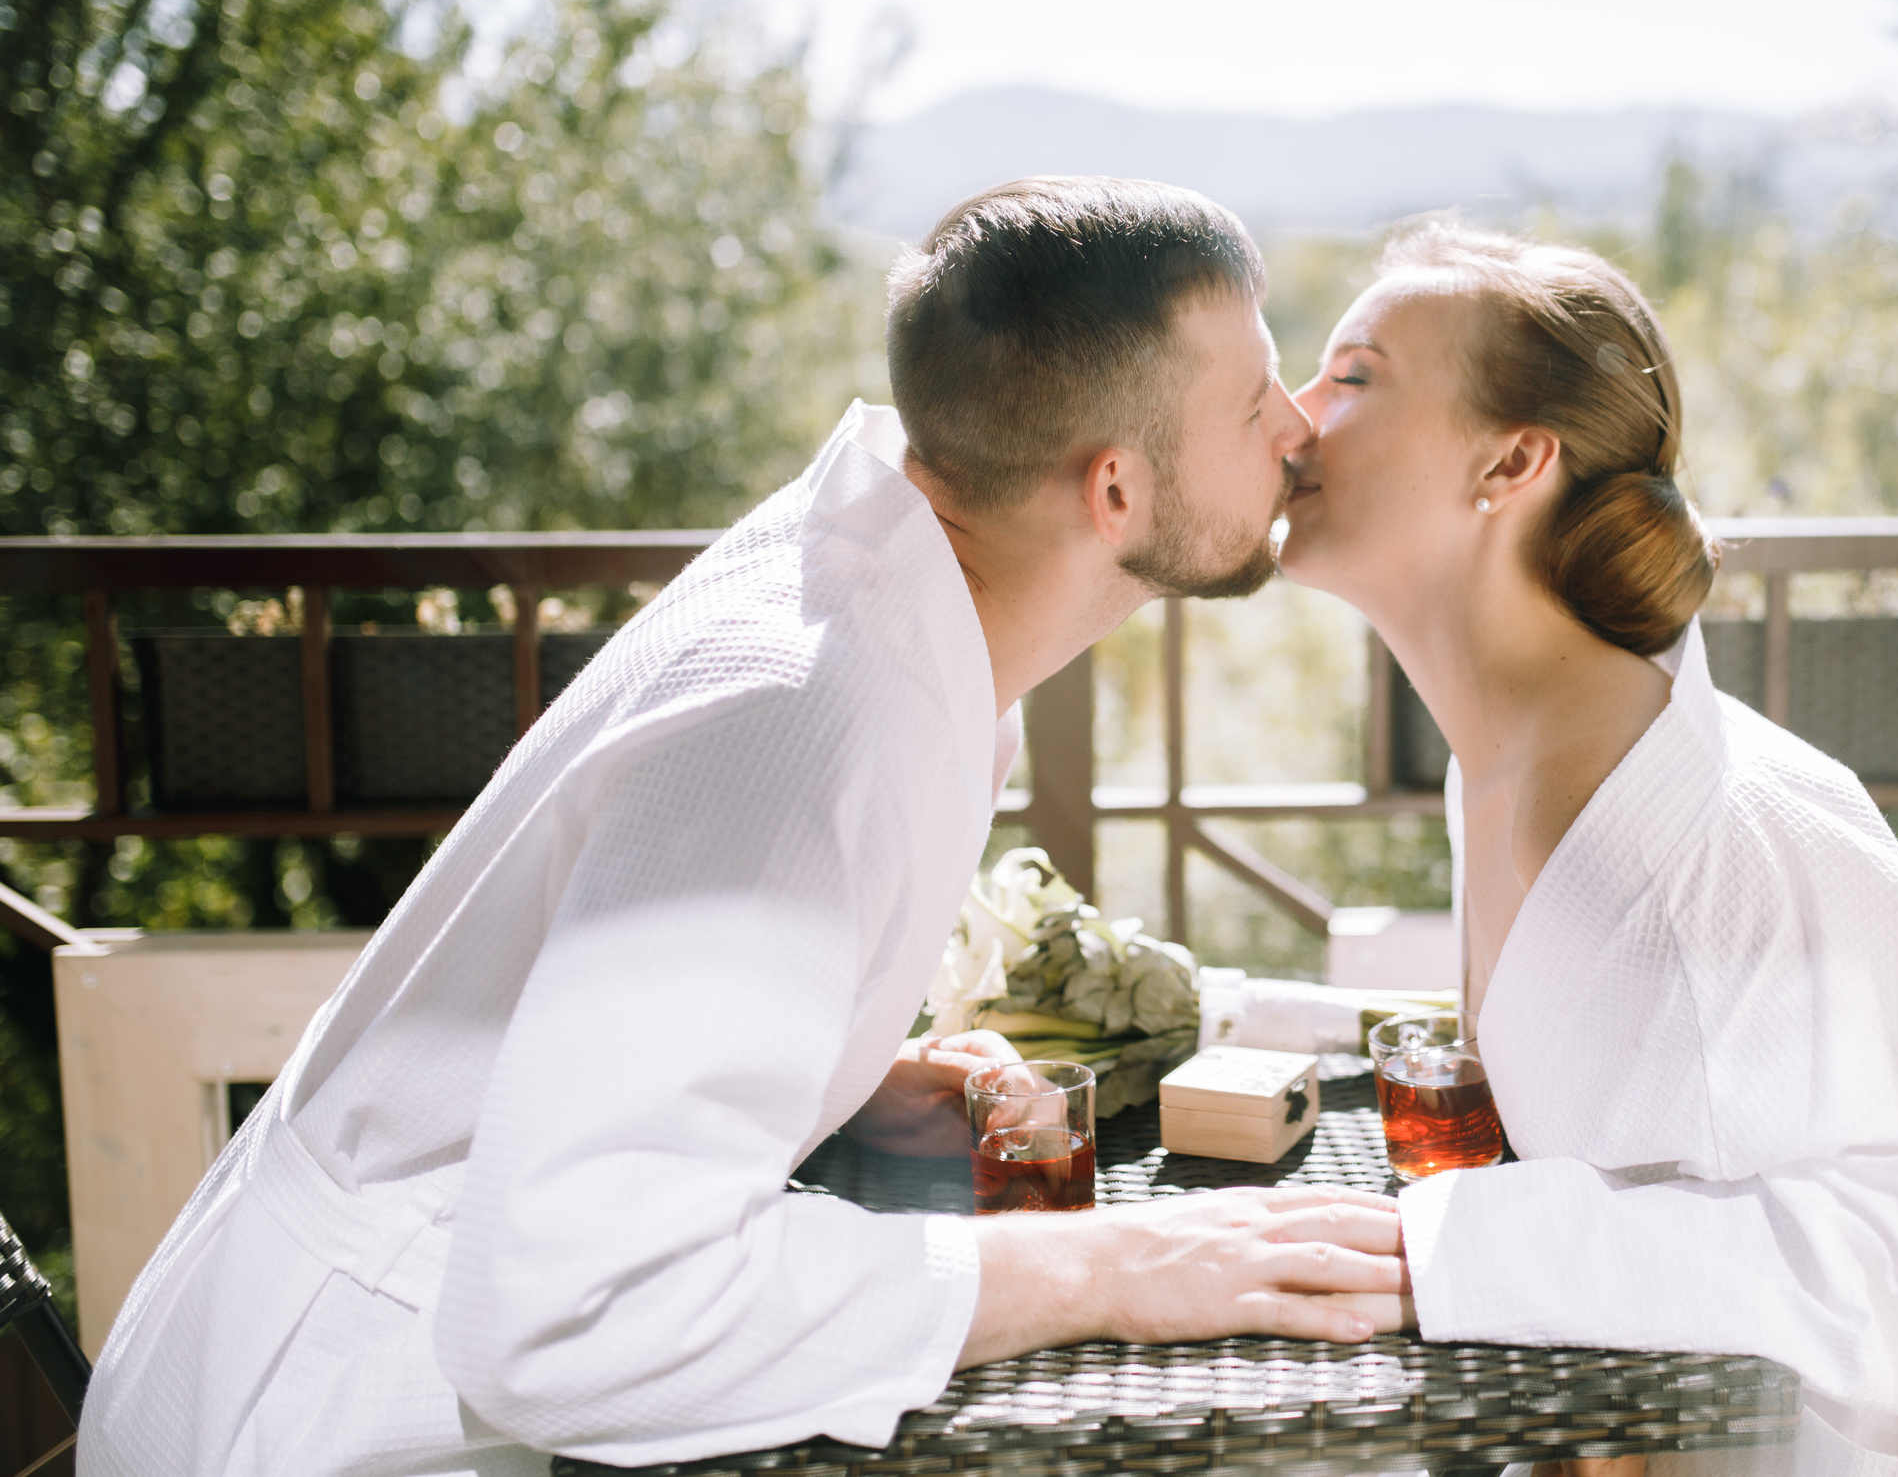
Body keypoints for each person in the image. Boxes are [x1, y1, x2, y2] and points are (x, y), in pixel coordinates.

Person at [80, 178, 1405, 1477]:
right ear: (1113, 490)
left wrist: (831, 1076)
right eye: (1252, 397)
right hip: (324, 1425)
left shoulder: (878, 598)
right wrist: (1110, 1264)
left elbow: (587, 994)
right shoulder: (809, 722)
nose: (1296, 428)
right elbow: (571, 1315)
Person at [1278, 222, 1898, 1476]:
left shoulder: (1708, 852)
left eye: (1351, 376)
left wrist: (1449, 1250)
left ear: (1509, 461)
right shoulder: (1518, 752)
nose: (1292, 417)